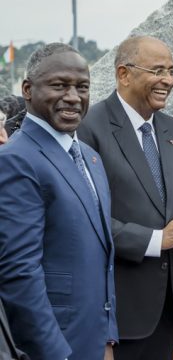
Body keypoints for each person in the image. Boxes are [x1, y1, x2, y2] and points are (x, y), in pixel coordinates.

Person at [77, 36, 173, 360]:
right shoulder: (88, 128)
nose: (169, 80)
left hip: (166, 312)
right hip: (114, 313)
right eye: (158, 70)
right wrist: (156, 240)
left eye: (172, 71)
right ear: (124, 74)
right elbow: (83, 218)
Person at [0, 43, 118, 359]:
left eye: (82, 87)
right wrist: (55, 354)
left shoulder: (91, 158)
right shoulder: (15, 160)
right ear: (27, 89)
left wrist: (108, 339)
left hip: (94, 343)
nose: (73, 97)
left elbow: (99, 260)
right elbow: (19, 272)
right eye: (59, 85)